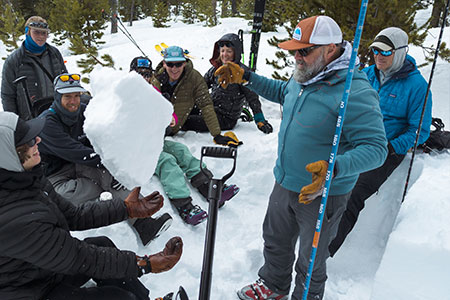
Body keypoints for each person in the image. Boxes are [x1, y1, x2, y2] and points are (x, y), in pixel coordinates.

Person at [215, 15, 388, 300]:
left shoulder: (354, 91)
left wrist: (334, 168)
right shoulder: (306, 73)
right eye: (294, 49)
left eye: (304, 50)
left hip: (323, 192)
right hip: (285, 180)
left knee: (311, 259)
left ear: (330, 49)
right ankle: (274, 285)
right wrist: (247, 77)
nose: (297, 56)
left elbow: (376, 148)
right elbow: (284, 91)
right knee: (275, 240)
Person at [0, 111, 183, 300]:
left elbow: (73, 215)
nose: (38, 139)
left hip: (46, 269)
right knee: (116, 297)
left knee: (102, 244)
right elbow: (79, 257)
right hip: (31, 290)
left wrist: (126, 209)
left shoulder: (30, 180)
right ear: (9, 155)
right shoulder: (12, 217)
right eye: (29, 141)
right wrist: (146, 265)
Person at [328, 27, 432, 257]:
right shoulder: (365, 74)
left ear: (401, 52)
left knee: (352, 193)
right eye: (375, 50)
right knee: (326, 175)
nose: (378, 56)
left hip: (386, 149)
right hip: (356, 139)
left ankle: (323, 253)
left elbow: (420, 131)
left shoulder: (417, 87)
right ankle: (305, 236)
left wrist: (393, 147)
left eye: (385, 52)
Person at [38, 73, 172, 245]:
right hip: (55, 175)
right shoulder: (47, 124)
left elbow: (112, 125)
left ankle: (144, 223)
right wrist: (115, 166)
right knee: (77, 195)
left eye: (76, 95)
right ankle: (110, 198)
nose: (73, 101)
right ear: (57, 97)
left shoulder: (86, 107)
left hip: (79, 164)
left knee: (110, 178)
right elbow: (77, 152)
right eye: (67, 97)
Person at [130, 57, 240, 225]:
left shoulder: (152, 92)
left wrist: (170, 118)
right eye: (139, 74)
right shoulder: (127, 95)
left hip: (154, 141)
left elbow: (166, 109)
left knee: (180, 151)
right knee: (167, 161)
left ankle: (208, 186)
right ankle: (184, 205)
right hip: (137, 148)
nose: (144, 78)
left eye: (147, 74)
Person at [151, 45, 241, 147]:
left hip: (172, 129)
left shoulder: (194, 79)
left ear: (184, 63)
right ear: (164, 64)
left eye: (178, 64)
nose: (174, 69)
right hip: (154, 130)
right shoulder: (157, 79)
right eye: (170, 64)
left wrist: (216, 134)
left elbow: (206, 105)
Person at [200, 33, 272, 133]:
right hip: (211, 110)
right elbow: (201, 87)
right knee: (185, 113)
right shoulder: (216, 69)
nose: (225, 55)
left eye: (229, 51)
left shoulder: (241, 73)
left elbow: (253, 99)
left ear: (236, 53)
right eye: (222, 51)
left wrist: (260, 120)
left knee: (188, 121)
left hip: (226, 119)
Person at [1, 16, 67, 120]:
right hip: (29, 120)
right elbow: (8, 96)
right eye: (36, 32)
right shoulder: (14, 61)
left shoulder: (54, 54)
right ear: (28, 32)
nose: (41, 36)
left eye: (44, 33)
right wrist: (14, 123)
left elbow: (65, 82)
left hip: (57, 115)